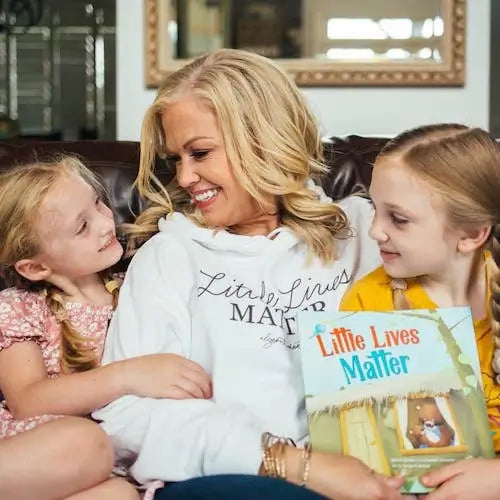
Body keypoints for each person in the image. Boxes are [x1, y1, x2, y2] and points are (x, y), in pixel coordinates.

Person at [93, 48, 406, 500]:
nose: (184, 177)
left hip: (379, 473)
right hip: (233, 481)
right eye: (176, 159)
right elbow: (126, 418)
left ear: (264, 138)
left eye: (199, 153)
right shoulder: (169, 255)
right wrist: (292, 463)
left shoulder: (366, 230)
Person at [0, 157, 212, 499]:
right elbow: (26, 400)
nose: (104, 223)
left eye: (98, 203)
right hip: (41, 452)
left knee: (120, 495)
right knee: (85, 441)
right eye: (82, 227)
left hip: (108, 466)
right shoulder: (21, 308)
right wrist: (127, 375)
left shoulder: (139, 286)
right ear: (35, 267)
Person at [340, 123, 500, 500]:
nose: (375, 231)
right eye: (374, 211)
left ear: (472, 233)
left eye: (398, 218)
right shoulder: (367, 303)